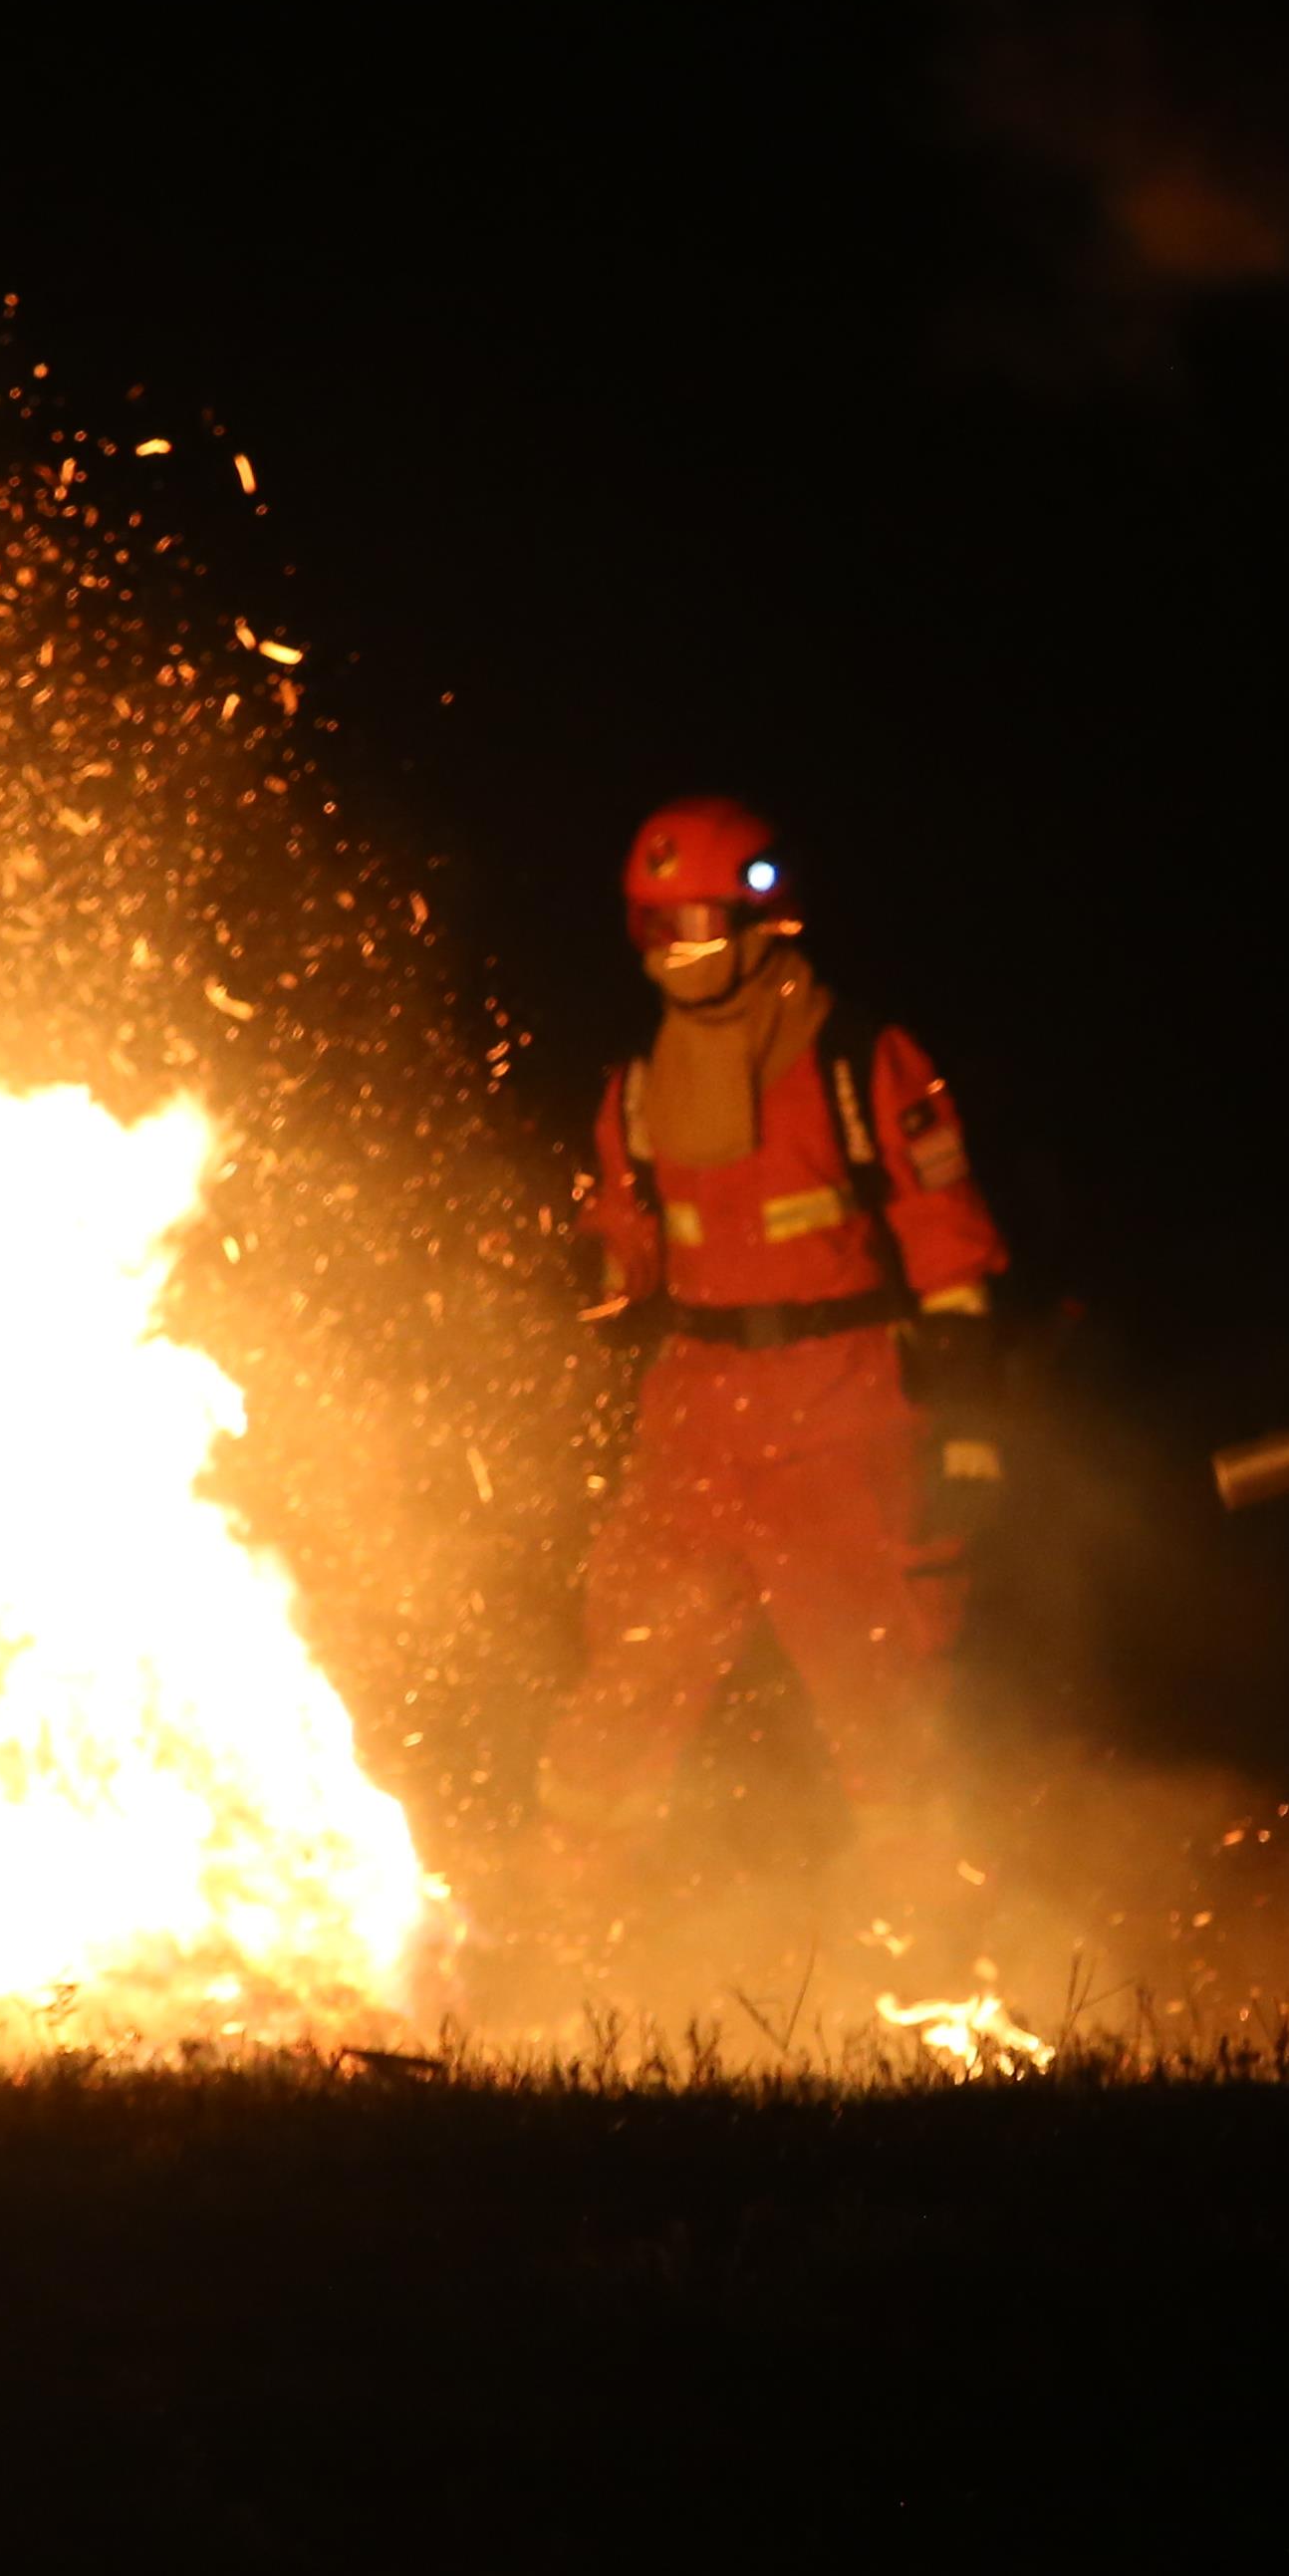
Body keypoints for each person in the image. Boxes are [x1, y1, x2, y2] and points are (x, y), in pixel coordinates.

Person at [543, 798, 1007, 1902]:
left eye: (695, 922)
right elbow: (632, 1232)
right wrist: (599, 1270)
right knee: (633, 1670)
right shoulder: (642, 1091)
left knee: (879, 1686)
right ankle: (566, 1921)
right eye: (652, 930)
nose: (675, 953)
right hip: (698, 1419)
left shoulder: (861, 1065)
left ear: (762, 918)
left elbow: (948, 1246)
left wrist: (973, 1430)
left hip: (840, 1414)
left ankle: (930, 1934)